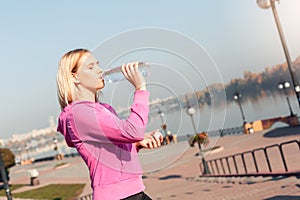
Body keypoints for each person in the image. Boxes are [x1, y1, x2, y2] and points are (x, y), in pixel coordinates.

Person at [56, 48, 162, 200]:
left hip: (134, 192)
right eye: (91, 67)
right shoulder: (78, 114)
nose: (100, 70)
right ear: (74, 77)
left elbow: (112, 150)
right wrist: (140, 89)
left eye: (98, 65)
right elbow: (133, 131)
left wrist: (136, 144)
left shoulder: (104, 109)